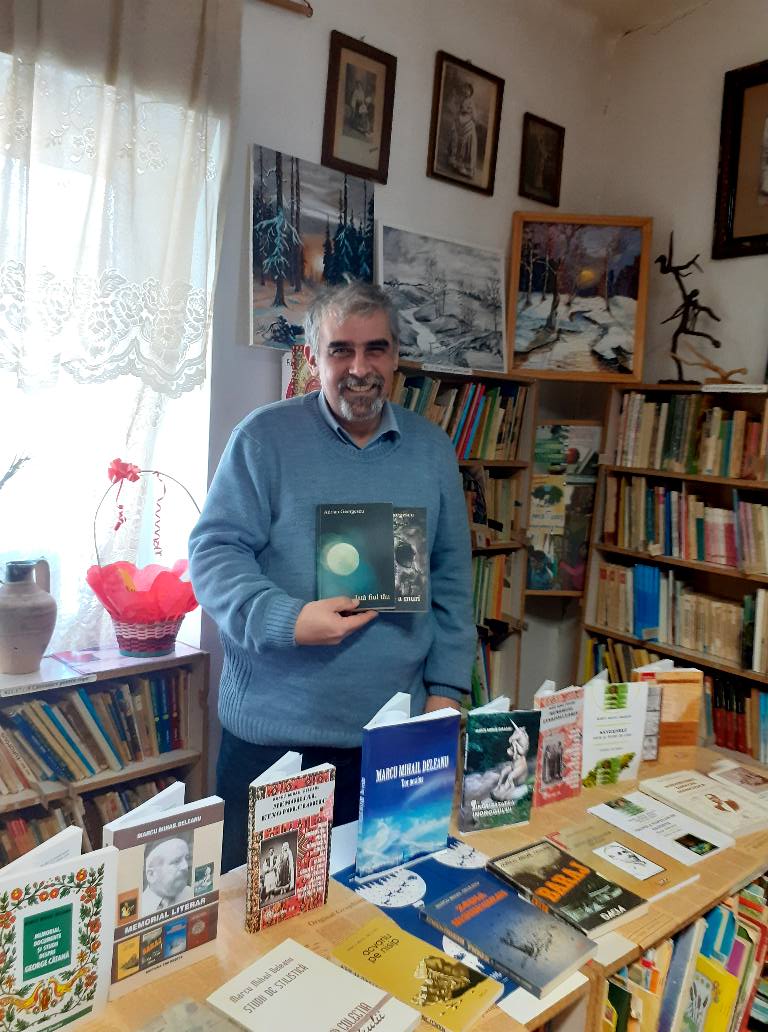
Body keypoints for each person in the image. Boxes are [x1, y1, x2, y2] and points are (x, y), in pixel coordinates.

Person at [189, 281, 474, 872]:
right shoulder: (264, 438)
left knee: (388, 899)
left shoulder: (431, 451)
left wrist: (447, 691)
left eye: (375, 349)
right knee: (261, 915)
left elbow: (450, 578)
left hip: (394, 739)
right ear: (313, 357)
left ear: (396, 356)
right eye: (341, 350)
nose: (359, 368)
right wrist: (287, 618)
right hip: (276, 743)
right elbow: (214, 554)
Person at [141, 836, 193, 915]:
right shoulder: (140, 908)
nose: (185, 866)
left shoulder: (190, 894)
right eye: (176, 861)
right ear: (151, 875)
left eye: (187, 858)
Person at [447, 81, 478, 179]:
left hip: (468, 123)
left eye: (468, 90)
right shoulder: (463, 100)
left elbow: (474, 114)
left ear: (471, 92)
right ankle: (456, 163)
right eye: (465, 89)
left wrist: (468, 113)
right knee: (457, 140)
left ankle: (466, 167)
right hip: (461, 122)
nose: (466, 91)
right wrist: (459, 114)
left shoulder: (471, 102)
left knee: (467, 143)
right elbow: (459, 110)